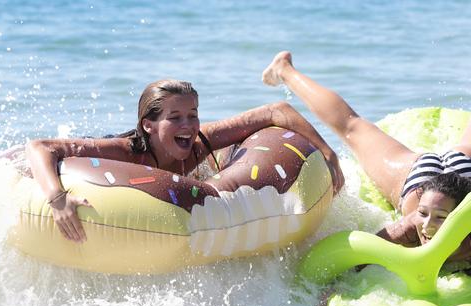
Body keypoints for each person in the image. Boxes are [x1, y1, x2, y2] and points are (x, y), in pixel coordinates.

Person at [263, 5, 471, 306]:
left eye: (440, 218)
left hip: (466, 171)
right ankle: (284, 69)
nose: (427, 228)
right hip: (418, 178)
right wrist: (334, 290)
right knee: (351, 127)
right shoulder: (411, 225)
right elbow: (356, 258)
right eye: (424, 215)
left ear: (465, 217)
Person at [26, 79, 344, 243]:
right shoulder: (127, 151)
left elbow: (278, 111)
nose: (188, 126)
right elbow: (40, 147)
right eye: (175, 117)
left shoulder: (198, 143)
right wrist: (57, 198)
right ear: (148, 125)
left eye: (192, 115)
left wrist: (329, 155)